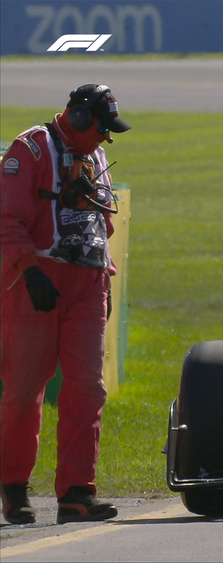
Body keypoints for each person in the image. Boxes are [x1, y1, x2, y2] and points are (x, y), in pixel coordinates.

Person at [1, 84, 130, 524]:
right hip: (35, 281)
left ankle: (76, 493)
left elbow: (103, 223)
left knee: (87, 388)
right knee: (24, 389)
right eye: (102, 127)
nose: (106, 137)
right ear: (77, 118)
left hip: (89, 282)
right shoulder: (31, 149)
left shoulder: (96, 156)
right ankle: (13, 487)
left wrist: (105, 278)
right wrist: (29, 269)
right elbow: (6, 218)